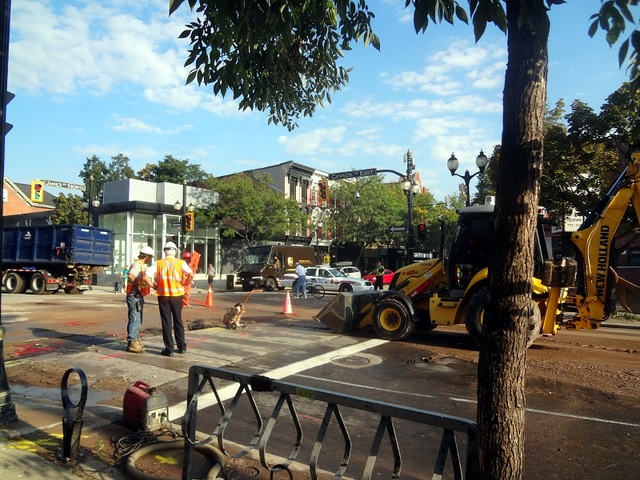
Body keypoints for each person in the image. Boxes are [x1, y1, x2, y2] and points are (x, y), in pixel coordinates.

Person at [145, 241, 193, 357]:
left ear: (165, 251)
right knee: (178, 320)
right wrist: (185, 283)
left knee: (166, 321)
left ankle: (169, 349)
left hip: (163, 296)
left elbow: (145, 276)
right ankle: (181, 346)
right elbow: (191, 274)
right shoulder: (181, 263)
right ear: (175, 251)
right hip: (177, 295)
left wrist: (154, 286)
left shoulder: (158, 263)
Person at [125, 246, 154, 353]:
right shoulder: (137, 265)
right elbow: (131, 276)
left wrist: (155, 286)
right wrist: (138, 287)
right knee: (135, 319)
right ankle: (132, 341)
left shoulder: (141, 266)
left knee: (138, 319)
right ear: (147, 257)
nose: (150, 260)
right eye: (150, 257)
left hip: (137, 296)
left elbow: (145, 278)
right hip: (134, 295)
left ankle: (135, 339)